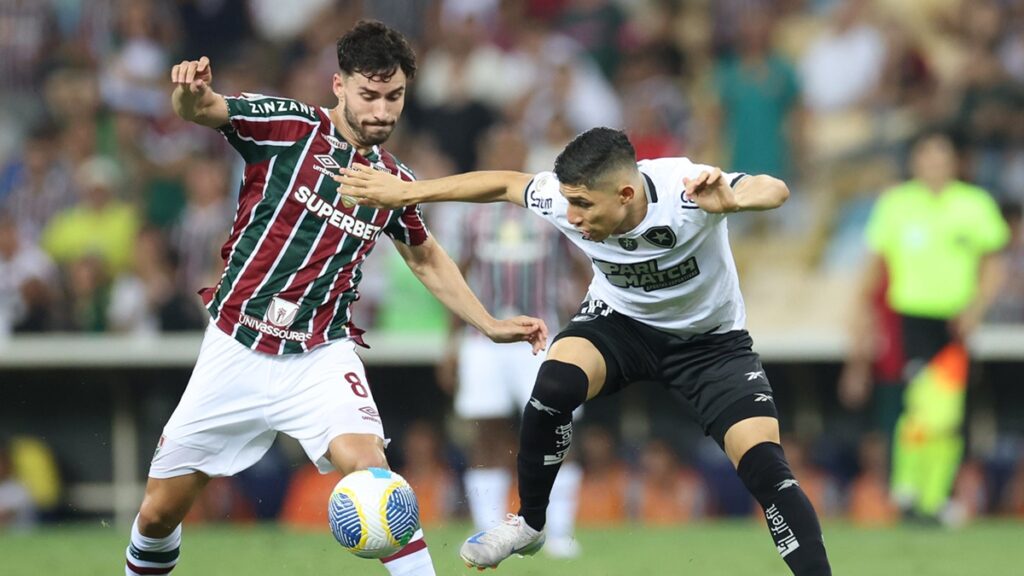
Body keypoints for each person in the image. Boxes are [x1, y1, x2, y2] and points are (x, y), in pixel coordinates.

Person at [124, 20, 547, 576]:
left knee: (375, 478)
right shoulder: (288, 127)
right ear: (338, 86)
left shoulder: (392, 179)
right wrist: (186, 93)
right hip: (236, 345)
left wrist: (487, 322)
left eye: (393, 97)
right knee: (158, 514)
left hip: (320, 353)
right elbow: (203, 110)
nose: (381, 111)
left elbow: (424, 255)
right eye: (368, 95)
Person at [335, 127, 833, 575]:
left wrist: (735, 200)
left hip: (710, 344)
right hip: (620, 325)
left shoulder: (686, 189)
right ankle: (530, 524)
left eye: (584, 206)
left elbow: (776, 189)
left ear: (625, 193)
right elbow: (504, 184)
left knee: (768, 469)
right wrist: (408, 192)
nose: (571, 217)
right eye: (568, 202)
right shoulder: (564, 198)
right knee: (554, 383)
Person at [839, 131, 1009, 524]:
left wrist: (976, 307)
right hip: (909, 319)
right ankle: (910, 491)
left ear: (955, 162)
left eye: (941, 157)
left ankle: (935, 497)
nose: (933, 164)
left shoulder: (974, 204)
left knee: (946, 413)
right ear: (915, 162)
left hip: (954, 321)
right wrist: (860, 312)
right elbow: (874, 264)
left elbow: (995, 262)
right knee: (917, 406)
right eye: (926, 157)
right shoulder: (898, 204)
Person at [438, 124, 586, 558]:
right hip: (484, 338)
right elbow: (457, 275)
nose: (506, 151)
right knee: (486, 431)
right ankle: (489, 527)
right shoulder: (472, 213)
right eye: (498, 146)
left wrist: (582, 325)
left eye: (512, 145)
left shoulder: (552, 207)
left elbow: (580, 269)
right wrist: (450, 345)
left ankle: (558, 531)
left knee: (557, 428)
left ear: (525, 152)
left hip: (541, 335)